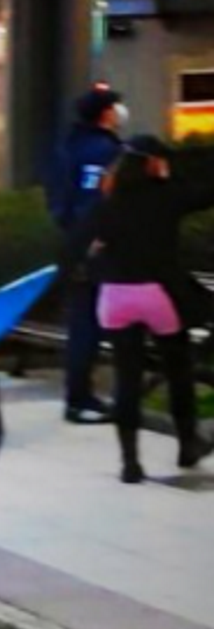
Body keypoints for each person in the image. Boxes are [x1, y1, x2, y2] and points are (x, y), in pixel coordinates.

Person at [67, 137, 213, 483]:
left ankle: (130, 463)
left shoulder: (106, 201)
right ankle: (187, 444)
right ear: (152, 163)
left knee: (126, 378)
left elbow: (80, 246)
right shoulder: (166, 196)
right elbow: (206, 193)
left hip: (114, 299)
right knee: (178, 371)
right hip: (157, 295)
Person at [47, 87, 124, 424]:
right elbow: (104, 202)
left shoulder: (68, 148)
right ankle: (83, 399)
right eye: (114, 107)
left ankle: (78, 394)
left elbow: (60, 201)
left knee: (82, 322)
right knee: (95, 324)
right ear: (105, 114)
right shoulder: (107, 152)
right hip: (101, 250)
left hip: (74, 245)